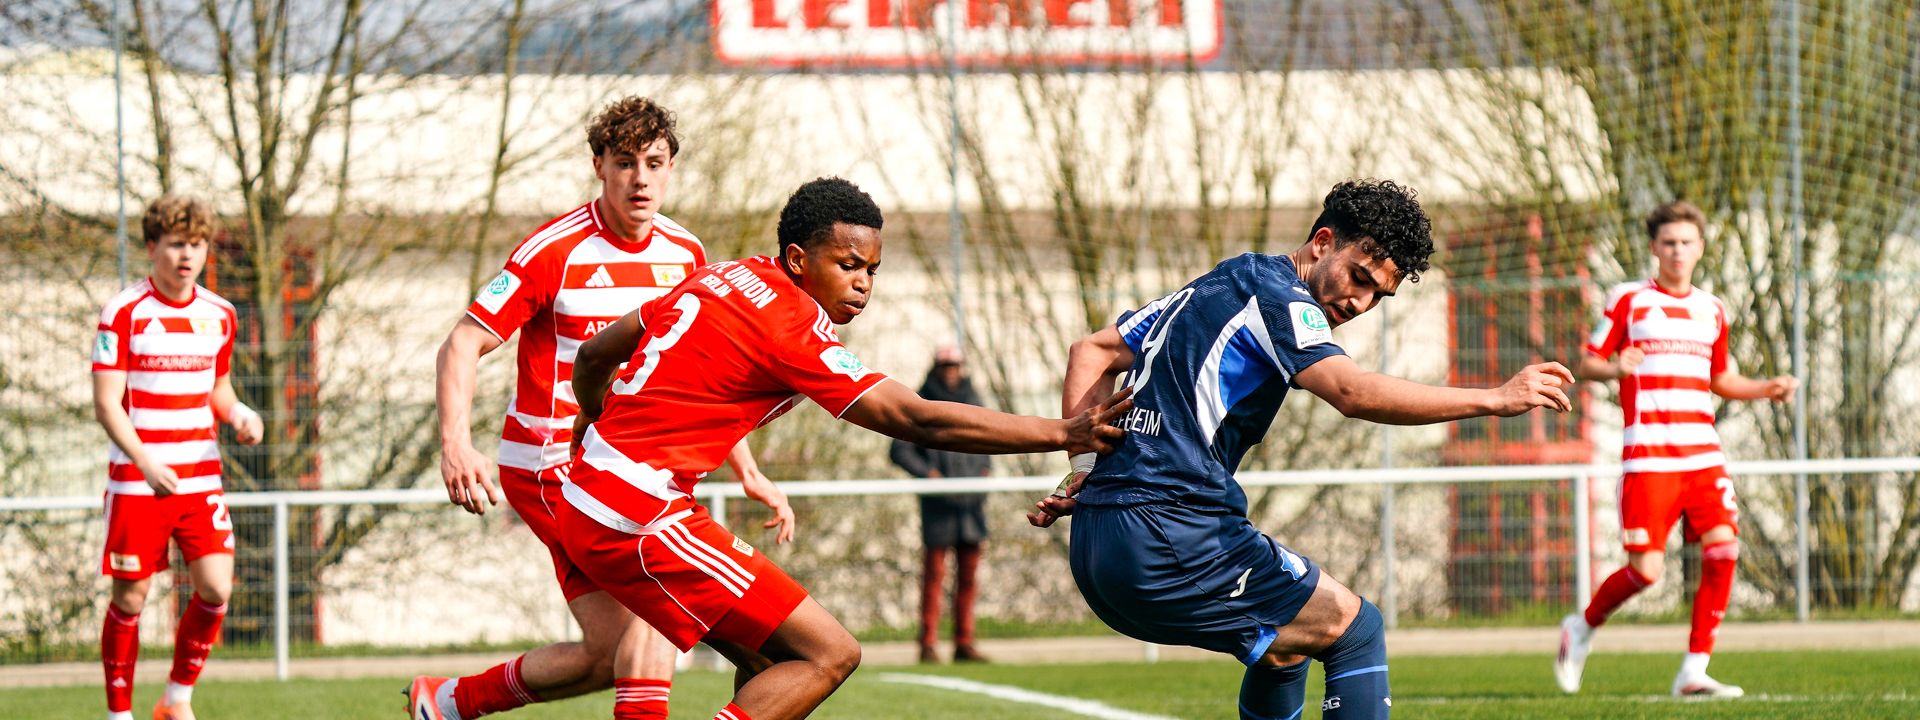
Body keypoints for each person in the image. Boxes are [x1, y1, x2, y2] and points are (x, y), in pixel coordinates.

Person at [557, 177, 1131, 720]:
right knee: (830, 654)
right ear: (797, 260)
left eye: (872, 270)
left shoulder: (722, 276)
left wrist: (592, 419)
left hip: (590, 493)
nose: (862, 283)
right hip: (636, 512)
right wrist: (1063, 432)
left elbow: (593, 355)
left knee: (772, 663)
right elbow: (917, 420)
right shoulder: (791, 326)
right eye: (848, 264)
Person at [1029, 179, 1575, 720]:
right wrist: (1494, 398)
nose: (1359, 302)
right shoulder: (1283, 300)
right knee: (1356, 628)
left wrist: (1083, 468)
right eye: (1358, 276)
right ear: (1322, 242)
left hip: (1100, 541)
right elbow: (1352, 392)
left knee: (1284, 648)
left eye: (1377, 296)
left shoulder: (1221, 282)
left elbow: (1090, 350)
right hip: (1170, 533)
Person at [414, 96, 791, 720]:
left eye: (654, 162)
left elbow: (696, 379)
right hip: (549, 466)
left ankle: (449, 702)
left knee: (610, 651)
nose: (639, 178)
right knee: (655, 600)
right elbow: (461, 342)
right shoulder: (553, 249)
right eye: (624, 163)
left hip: (629, 468)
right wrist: (455, 441)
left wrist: (746, 469)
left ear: (671, 169)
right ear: (599, 167)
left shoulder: (687, 256)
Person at [1555, 200, 1798, 698]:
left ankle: (1694, 669)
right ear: (1654, 248)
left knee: (1725, 549)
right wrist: (1616, 366)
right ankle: (1581, 627)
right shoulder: (1628, 299)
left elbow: (1721, 378)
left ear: (1701, 248)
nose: (1678, 251)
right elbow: (1588, 360)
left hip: (1704, 456)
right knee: (1646, 573)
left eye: (1687, 242)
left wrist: (1766, 387)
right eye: (1669, 242)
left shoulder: (1713, 309)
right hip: (1650, 457)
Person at [92, 195, 263, 720]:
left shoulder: (221, 315)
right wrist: (144, 463)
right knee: (131, 600)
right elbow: (105, 403)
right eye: (174, 244)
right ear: (152, 247)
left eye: (196, 244)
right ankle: (119, 714)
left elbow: (219, 390)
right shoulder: (123, 313)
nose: (186, 255)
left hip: (200, 478)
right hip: (137, 482)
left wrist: (239, 414)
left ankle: (175, 700)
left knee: (215, 588)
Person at [889, 346, 993, 664]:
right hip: (939, 507)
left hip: (971, 506)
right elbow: (899, 451)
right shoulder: (920, 400)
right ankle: (928, 644)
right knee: (934, 577)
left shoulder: (973, 397)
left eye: (955, 365)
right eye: (946, 365)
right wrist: (929, 474)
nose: (951, 370)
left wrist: (985, 470)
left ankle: (964, 641)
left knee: (969, 578)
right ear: (936, 367)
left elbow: (991, 438)